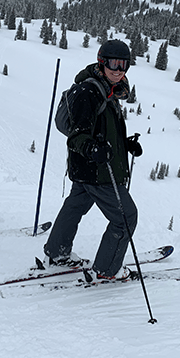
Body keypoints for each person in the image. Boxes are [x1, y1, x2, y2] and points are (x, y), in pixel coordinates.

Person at [43, 39, 143, 281]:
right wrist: (92, 150)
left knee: (75, 206)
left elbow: (101, 130)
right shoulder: (88, 91)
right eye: (113, 63)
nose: (118, 70)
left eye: (123, 65)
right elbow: (78, 135)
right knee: (125, 217)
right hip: (97, 171)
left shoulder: (107, 89)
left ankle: (56, 252)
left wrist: (124, 144)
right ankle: (108, 270)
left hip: (88, 169)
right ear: (102, 61)